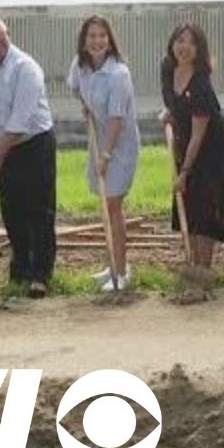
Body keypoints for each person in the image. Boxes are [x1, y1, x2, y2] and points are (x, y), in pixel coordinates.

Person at [0, 16, 57, 298]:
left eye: (0, 35)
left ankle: (41, 275)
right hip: (0, 143)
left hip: (32, 143)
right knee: (11, 209)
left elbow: (20, 118)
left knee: (38, 210)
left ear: (8, 35)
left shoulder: (25, 68)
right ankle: (21, 270)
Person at [68, 15, 141, 292]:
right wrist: (85, 105)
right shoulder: (80, 66)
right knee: (105, 206)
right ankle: (112, 264)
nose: (97, 41)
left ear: (109, 40)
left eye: (102, 36)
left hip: (118, 145)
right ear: (84, 41)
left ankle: (121, 273)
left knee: (113, 206)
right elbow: (75, 88)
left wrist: (106, 155)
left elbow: (116, 120)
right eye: (91, 36)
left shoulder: (118, 74)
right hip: (98, 139)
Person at [160, 23, 224, 270]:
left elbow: (199, 135)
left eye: (191, 43)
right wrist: (169, 113)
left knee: (205, 206)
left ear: (199, 49)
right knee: (189, 203)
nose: (184, 47)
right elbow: (173, 103)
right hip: (187, 140)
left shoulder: (200, 83)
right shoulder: (167, 68)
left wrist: (184, 172)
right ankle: (192, 263)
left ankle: (204, 267)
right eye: (180, 40)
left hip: (213, 147)